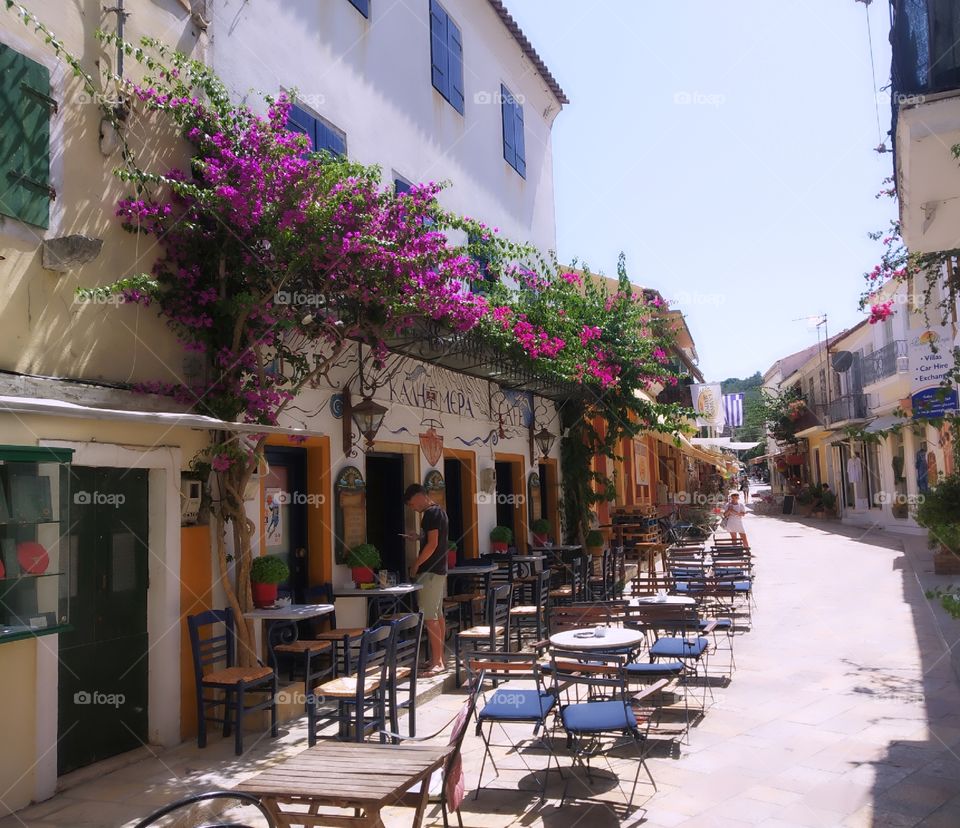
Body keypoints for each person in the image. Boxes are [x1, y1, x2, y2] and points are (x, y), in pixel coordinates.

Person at [403, 483, 449, 677]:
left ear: (420, 496)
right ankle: (439, 658)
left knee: (429, 617)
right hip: (439, 570)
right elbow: (432, 539)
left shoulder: (430, 514)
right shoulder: (439, 512)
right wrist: (418, 537)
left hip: (430, 572)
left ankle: (438, 662)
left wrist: (415, 564)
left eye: (413, 504)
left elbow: (432, 545)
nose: (413, 508)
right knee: (437, 614)